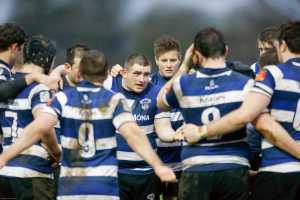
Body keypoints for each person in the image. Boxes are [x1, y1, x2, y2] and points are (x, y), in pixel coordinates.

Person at [0, 49, 176, 200]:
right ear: (107, 73)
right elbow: (132, 133)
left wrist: (5, 156)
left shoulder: (63, 99)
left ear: (79, 73)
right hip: (104, 186)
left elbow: (39, 127)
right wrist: (158, 165)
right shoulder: (114, 100)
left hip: (72, 187)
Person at [176, 22, 300, 200]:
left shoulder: (273, 74)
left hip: (280, 171)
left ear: (283, 46)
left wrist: (201, 131)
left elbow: (248, 116)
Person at [157, 27, 251, 200]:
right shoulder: (246, 84)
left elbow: (161, 101)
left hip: (196, 167)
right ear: (226, 50)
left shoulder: (183, 84)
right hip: (234, 166)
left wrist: (185, 64)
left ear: (197, 55)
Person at [104, 53, 176, 200]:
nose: (142, 79)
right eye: (136, 74)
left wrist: (176, 135)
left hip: (147, 173)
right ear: (124, 72)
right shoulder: (108, 86)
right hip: (115, 172)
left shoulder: (156, 93)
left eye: (146, 74)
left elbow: (163, 129)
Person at [0, 35, 59, 200]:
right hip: (32, 173)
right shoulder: (39, 88)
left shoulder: (8, 86)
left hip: (4, 172)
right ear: (48, 60)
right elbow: (44, 128)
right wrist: (57, 153)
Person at [151, 35, 183, 200]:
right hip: (155, 162)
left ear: (180, 60)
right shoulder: (147, 85)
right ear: (156, 60)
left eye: (173, 60)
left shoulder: (189, 82)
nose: (169, 65)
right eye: (164, 60)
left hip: (182, 161)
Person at [0, 23, 59, 102]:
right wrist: (33, 77)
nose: (22, 55)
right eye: (21, 49)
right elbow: (2, 92)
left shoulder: (7, 70)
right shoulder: (2, 69)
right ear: (14, 47)